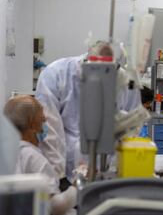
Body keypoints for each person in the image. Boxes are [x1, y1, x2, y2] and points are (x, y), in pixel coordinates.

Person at [35, 41, 140, 181]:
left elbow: (131, 132)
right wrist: (57, 176)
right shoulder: (56, 75)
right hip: (64, 169)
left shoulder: (125, 82)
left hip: (109, 170)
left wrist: (119, 171)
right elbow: (49, 132)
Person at [3, 95, 76, 215]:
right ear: (33, 125)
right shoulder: (32, 157)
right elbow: (55, 207)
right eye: (43, 121)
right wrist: (77, 187)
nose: (45, 126)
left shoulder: (9, 153)